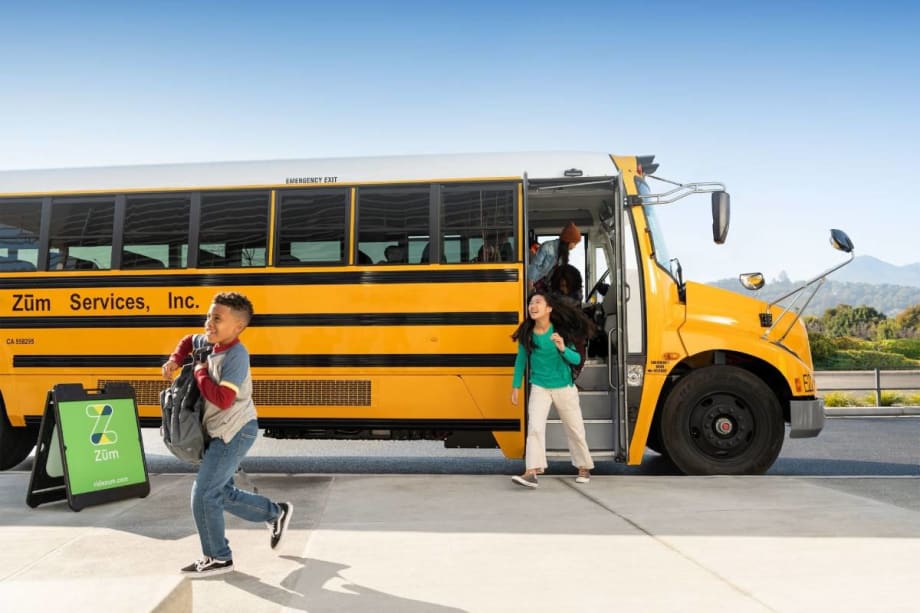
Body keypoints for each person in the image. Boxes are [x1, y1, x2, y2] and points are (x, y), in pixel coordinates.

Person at [161, 291, 293, 577]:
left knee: (203, 494)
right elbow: (188, 340)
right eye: (209, 316)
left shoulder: (236, 355)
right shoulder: (210, 342)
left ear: (238, 326)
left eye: (217, 318)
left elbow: (223, 399)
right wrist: (174, 360)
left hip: (235, 431)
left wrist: (199, 371)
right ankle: (275, 513)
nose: (209, 323)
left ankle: (218, 557)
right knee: (220, 492)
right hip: (219, 431)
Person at [509, 290, 596, 488]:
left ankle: (584, 467)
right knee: (535, 428)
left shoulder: (560, 332)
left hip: (564, 386)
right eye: (531, 303)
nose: (533, 306)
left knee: (574, 429)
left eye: (538, 302)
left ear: (548, 308)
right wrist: (516, 386)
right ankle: (531, 472)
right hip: (540, 386)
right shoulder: (527, 333)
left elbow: (576, 359)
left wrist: (563, 348)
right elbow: (521, 360)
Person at [528, 221, 581, 290]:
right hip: (533, 282)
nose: (574, 247)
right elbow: (535, 265)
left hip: (546, 285)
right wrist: (530, 282)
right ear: (568, 241)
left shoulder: (563, 254)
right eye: (574, 243)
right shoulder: (547, 247)